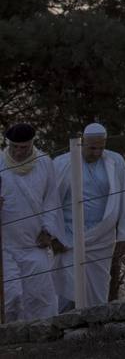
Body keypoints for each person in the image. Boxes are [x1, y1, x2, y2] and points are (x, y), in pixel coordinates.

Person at [51, 123, 125, 310]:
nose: (96, 152)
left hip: (102, 237)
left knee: (97, 288)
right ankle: (62, 326)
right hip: (68, 236)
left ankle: (93, 329)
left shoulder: (115, 161)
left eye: (101, 147)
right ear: (82, 142)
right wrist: (53, 234)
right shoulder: (61, 163)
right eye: (92, 147)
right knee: (67, 284)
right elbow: (50, 201)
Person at [0, 123, 60, 321]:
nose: (18, 152)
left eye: (23, 147)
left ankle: (41, 339)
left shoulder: (45, 162)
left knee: (41, 296)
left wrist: (48, 230)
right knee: (11, 295)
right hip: (5, 246)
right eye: (14, 147)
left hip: (35, 244)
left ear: (32, 144)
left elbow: (52, 199)